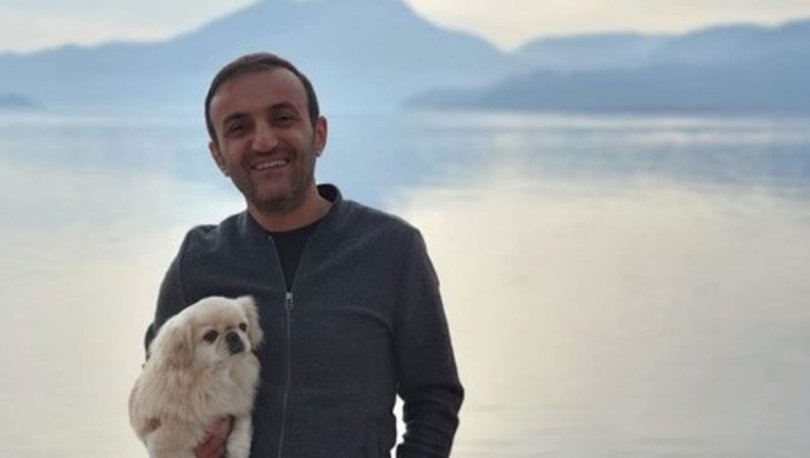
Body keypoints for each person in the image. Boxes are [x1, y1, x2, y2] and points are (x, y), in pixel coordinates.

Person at [143, 52, 464, 458]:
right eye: (239, 127)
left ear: (319, 134)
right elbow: (156, 392)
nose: (264, 141)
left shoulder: (392, 250)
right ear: (218, 155)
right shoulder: (199, 261)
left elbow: (434, 396)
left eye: (283, 118)